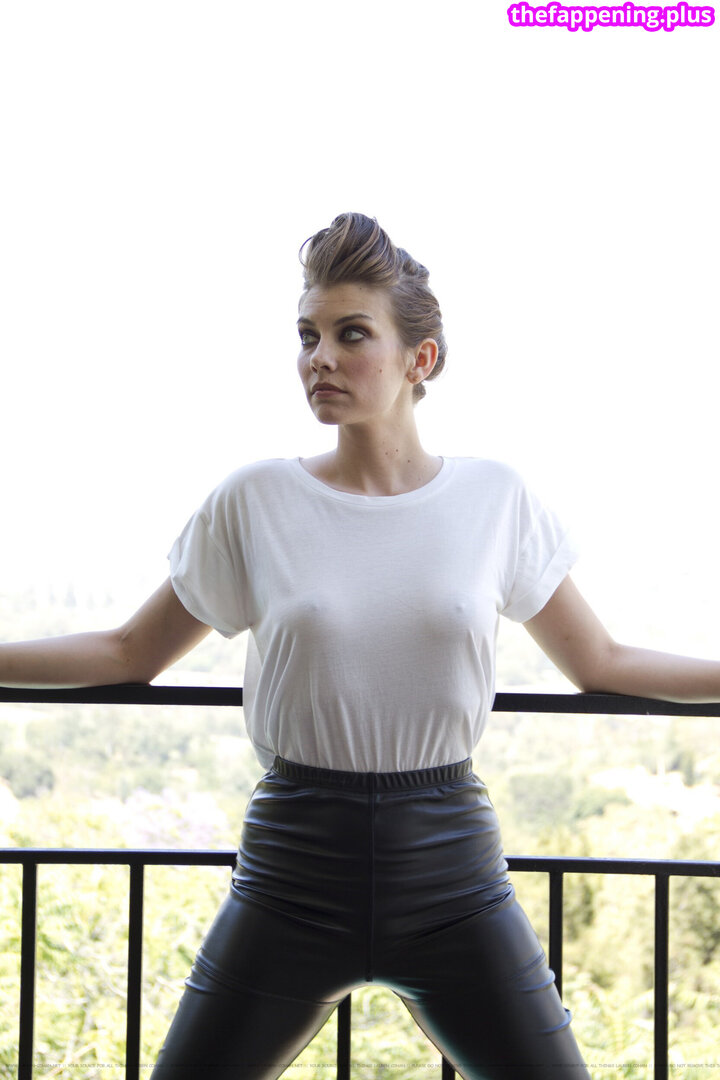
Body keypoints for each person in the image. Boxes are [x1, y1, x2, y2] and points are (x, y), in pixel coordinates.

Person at [2, 212, 720, 1079]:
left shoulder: (495, 498)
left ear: (422, 359)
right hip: (290, 875)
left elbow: (602, 664)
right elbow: (127, 653)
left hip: (453, 877)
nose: (320, 358)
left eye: (351, 334)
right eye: (307, 336)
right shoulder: (255, 500)